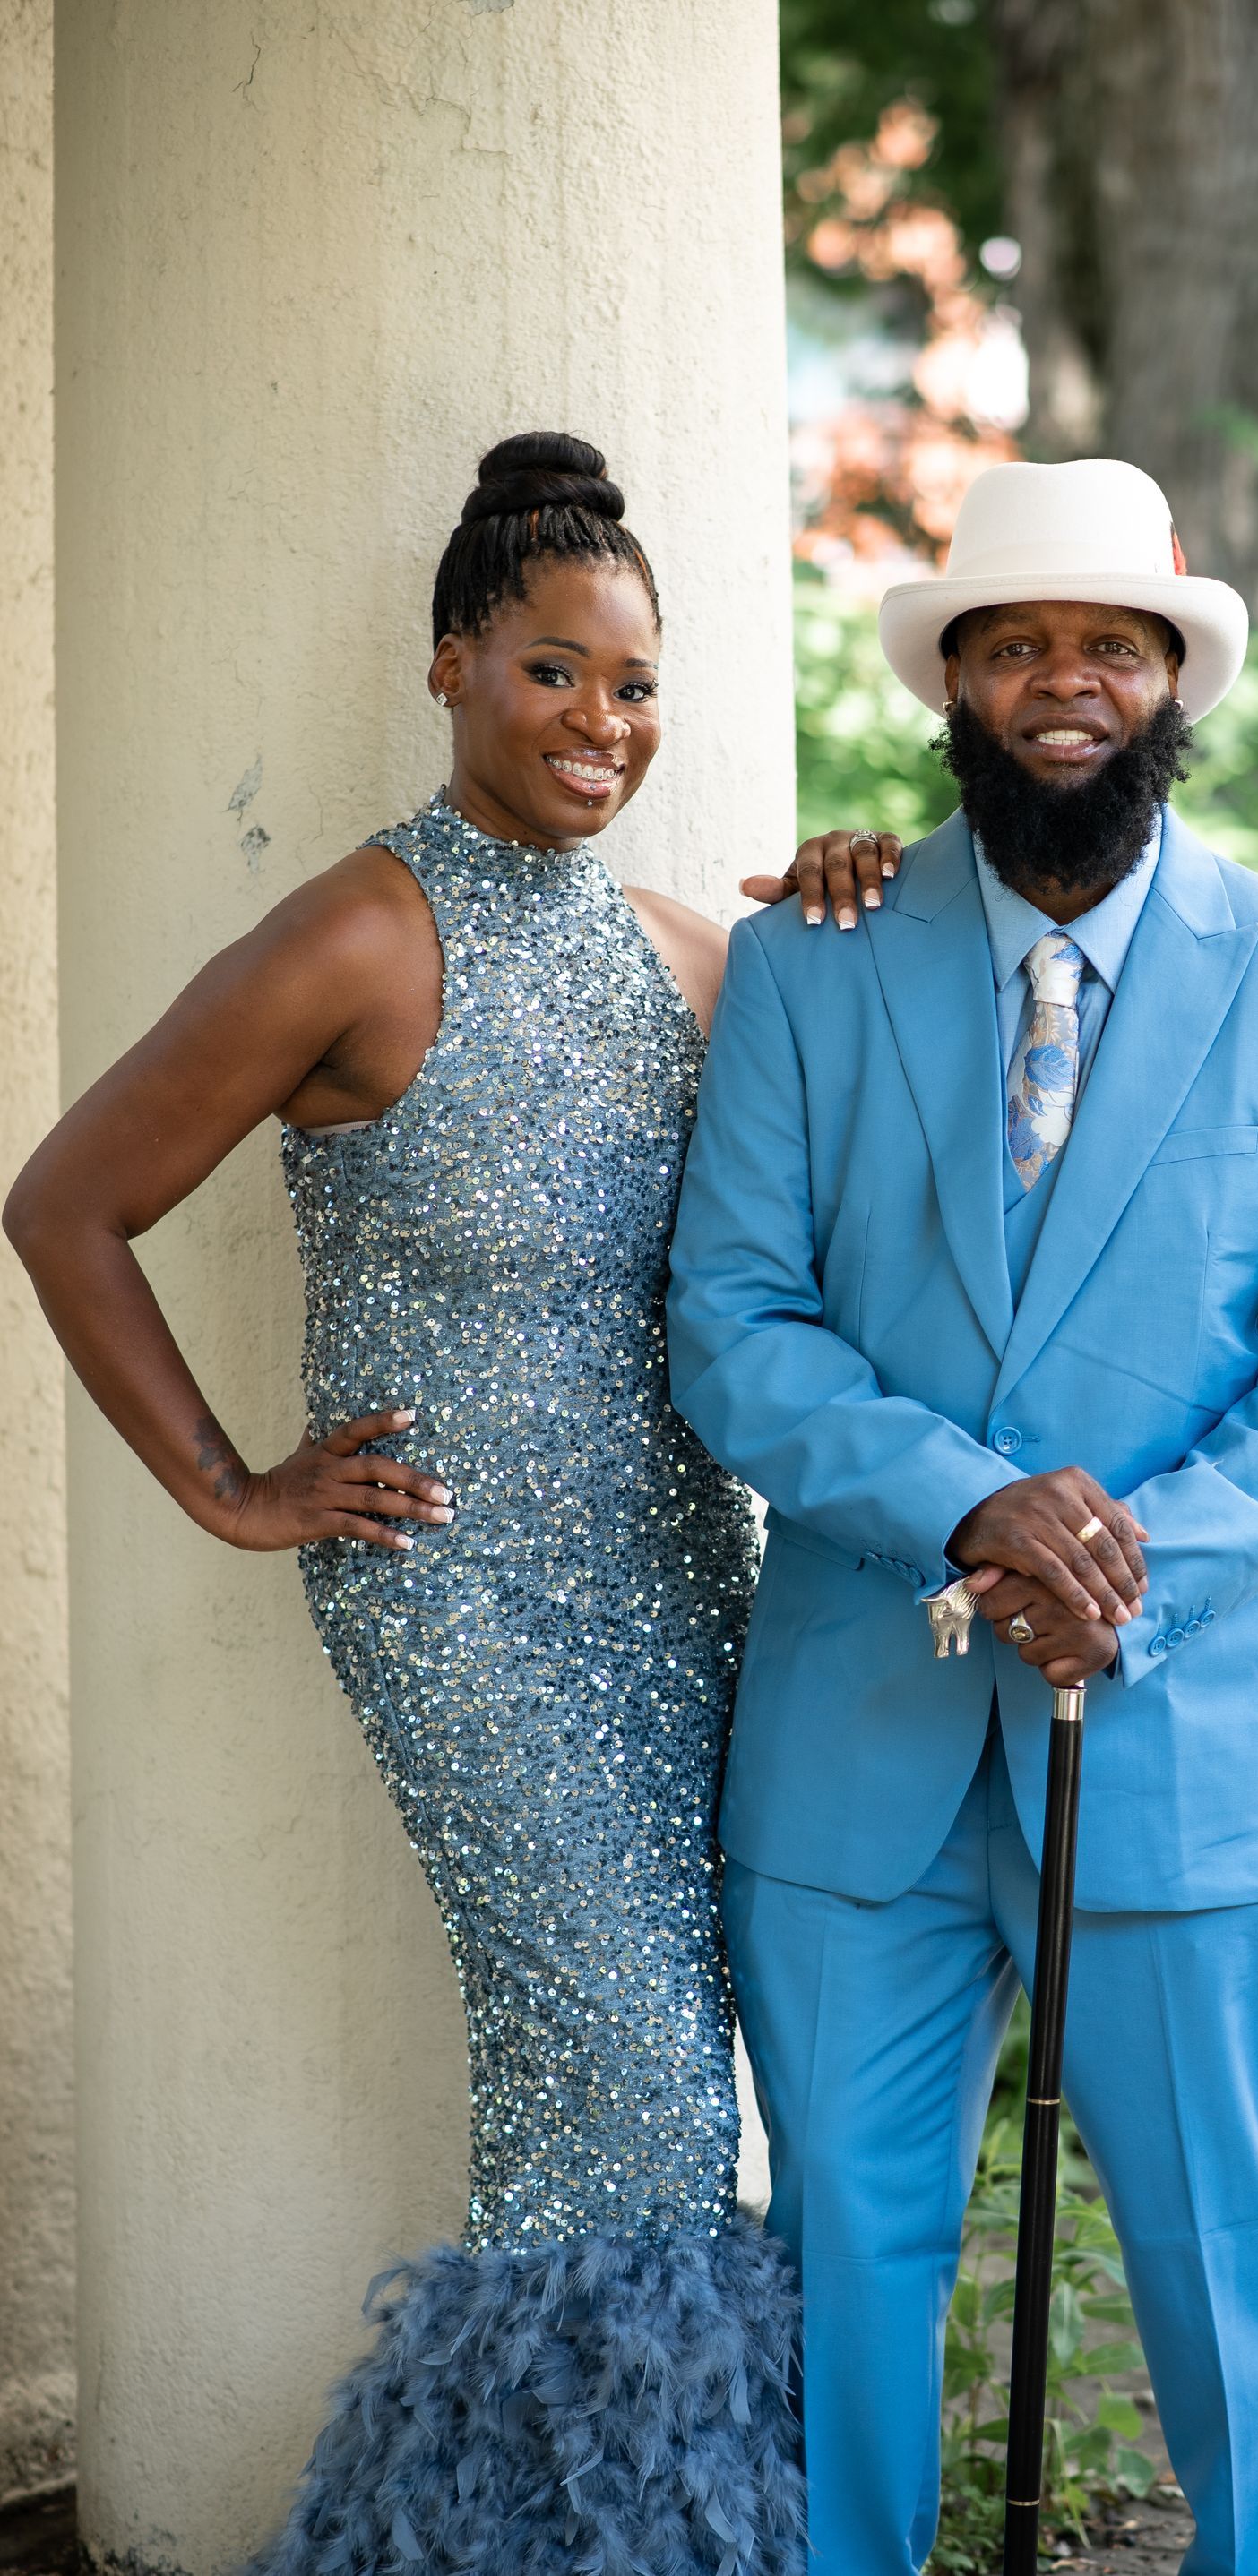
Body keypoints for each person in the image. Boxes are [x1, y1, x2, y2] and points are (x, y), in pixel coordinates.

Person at [3, 432, 884, 2576]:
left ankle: (497, 2539)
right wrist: (232, 1485)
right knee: (639, 2099)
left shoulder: (692, 953)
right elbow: (65, 1202)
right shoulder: (356, 933)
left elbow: (859, 1148)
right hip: (465, 1607)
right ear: (451, 668)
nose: (605, 723)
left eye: (638, 684)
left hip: (692, 1591)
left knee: (657, 2109)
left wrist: (859, 895)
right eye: (555, 673)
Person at [667, 457, 1258, 2576]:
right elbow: (733, 1323)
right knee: (844, 2259)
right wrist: (974, 1507)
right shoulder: (813, 963)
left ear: (1177, 671)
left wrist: (1126, 1565)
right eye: (1016, 645)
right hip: (857, 1748)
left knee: (1231, 2261)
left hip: (1181, 1736)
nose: (1064, 682)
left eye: (1111, 642)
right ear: (959, 686)